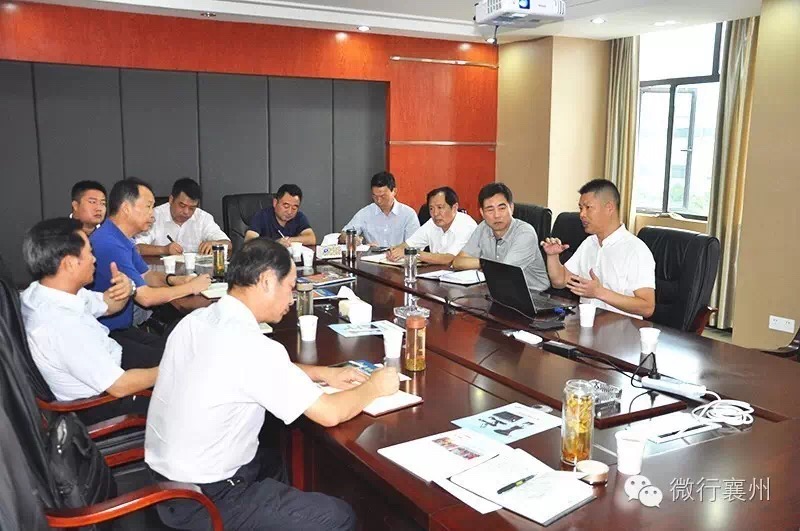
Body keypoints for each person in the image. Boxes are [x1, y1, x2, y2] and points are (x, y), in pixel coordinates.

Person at [145, 238, 399, 530]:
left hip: (165, 483)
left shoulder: (198, 320)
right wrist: (375, 386)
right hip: (206, 501)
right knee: (338, 517)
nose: (292, 299)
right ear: (266, 281)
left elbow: (248, 371)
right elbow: (330, 413)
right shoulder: (252, 346)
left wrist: (322, 373)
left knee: (275, 457)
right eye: (290, 287)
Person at [20, 218, 158, 422]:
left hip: (108, 361)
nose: (94, 259)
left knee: (169, 350)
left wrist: (127, 287)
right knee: (184, 378)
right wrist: (173, 369)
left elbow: (108, 305)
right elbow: (120, 386)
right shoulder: (61, 325)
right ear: (69, 263)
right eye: (89, 253)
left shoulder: (44, 291)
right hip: (103, 402)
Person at [90, 178, 211, 354]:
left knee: (178, 349)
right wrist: (191, 287)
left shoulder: (122, 237)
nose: (153, 215)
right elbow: (145, 297)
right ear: (126, 208)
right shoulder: (109, 243)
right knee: (176, 357)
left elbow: (146, 275)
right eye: (148, 206)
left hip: (121, 328)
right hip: (104, 335)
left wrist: (175, 280)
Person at [541, 179, 655, 318]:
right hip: (587, 324)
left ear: (609, 208)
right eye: (580, 208)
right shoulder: (589, 243)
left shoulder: (636, 250)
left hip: (623, 329)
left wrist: (599, 292)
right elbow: (559, 281)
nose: (582, 214)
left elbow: (647, 307)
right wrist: (552, 256)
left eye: (588, 208)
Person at [453, 182, 549, 292]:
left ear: (511, 208)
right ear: (482, 213)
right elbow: (458, 262)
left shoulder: (525, 233)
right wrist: (483, 263)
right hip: (498, 289)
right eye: (490, 210)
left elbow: (504, 272)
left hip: (534, 293)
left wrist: (482, 265)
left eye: (502, 208)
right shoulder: (483, 227)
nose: (497, 215)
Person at [135, 178, 231, 256]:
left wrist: (215, 244)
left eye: (192, 208)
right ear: (171, 200)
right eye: (182, 205)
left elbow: (228, 244)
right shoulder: (154, 216)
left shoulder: (203, 218)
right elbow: (137, 248)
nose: (186, 212)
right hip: (159, 272)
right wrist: (164, 249)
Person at [386, 186, 477, 265]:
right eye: (431, 208)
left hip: (462, 276)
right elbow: (409, 244)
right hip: (437, 274)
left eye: (440, 207)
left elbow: (449, 259)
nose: (435, 213)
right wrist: (395, 250)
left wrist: (413, 252)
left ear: (454, 208)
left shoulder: (466, 225)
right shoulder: (432, 223)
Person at [341, 172, 419, 248]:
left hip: (399, 256)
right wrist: (351, 239)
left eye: (383, 196)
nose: (379, 201)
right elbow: (344, 234)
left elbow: (414, 245)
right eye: (375, 196)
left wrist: (392, 250)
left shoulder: (408, 214)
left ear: (394, 191)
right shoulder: (365, 213)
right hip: (371, 256)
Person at [244, 184, 316, 247]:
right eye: (286, 206)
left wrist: (288, 240)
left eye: (294, 208)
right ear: (275, 203)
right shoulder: (262, 216)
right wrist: (275, 244)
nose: (290, 212)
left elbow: (311, 238)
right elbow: (249, 241)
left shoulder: (299, 217)